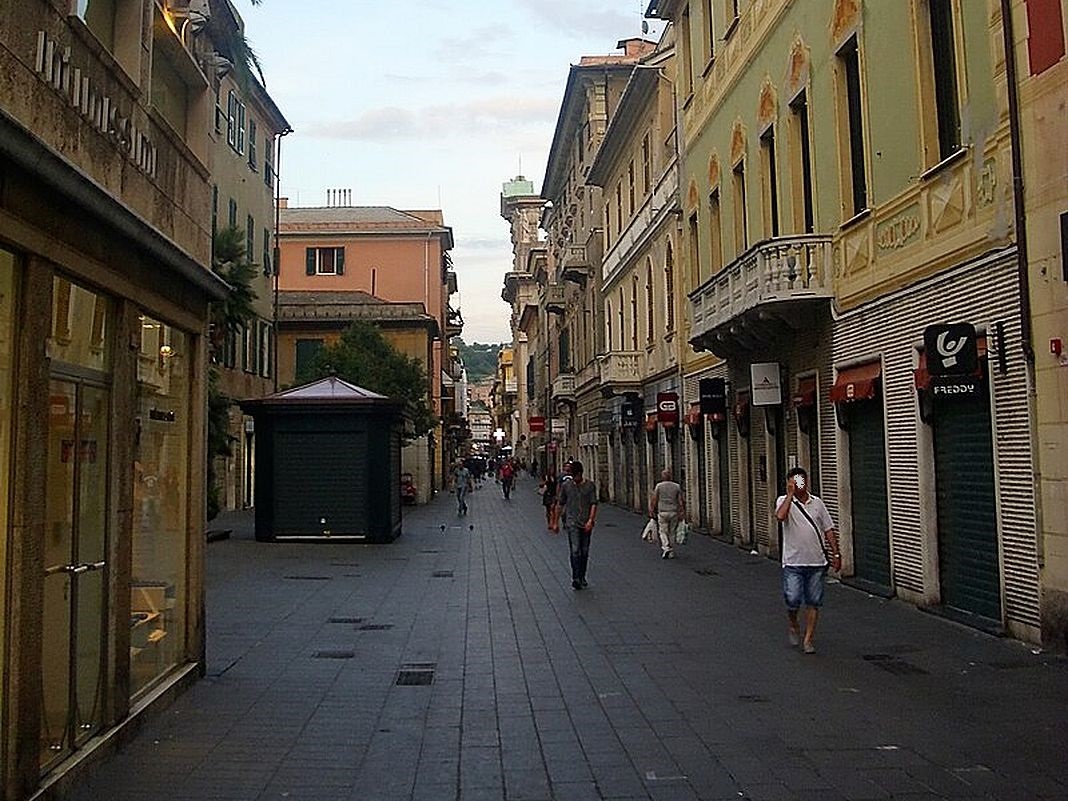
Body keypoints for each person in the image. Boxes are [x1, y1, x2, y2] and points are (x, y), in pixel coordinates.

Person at [774, 466, 841, 654]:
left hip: (816, 562)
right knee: (792, 599)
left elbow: (828, 529)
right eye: (795, 481)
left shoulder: (817, 503)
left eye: (802, 480)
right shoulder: (783, 501)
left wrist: (836, 553)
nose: (800, 484)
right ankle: (793, 623)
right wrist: (789, 495)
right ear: (789, 482)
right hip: (793, 562)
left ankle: (808, 639)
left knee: (813, 601)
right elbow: (780, 516)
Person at [554, 460, 597, 590]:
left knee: (584, 551)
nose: (575, 479)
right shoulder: (566, 486)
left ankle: (582, 575)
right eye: (573, 476)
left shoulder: (590, 486)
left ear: (581, 474)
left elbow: (594, 503)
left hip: (585, 522)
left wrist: (591, 520)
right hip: (572, 522)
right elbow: (560, 503)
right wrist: (555, 522)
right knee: (575, 550)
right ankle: (576, 578)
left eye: (576, 476)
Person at [649, 469, 686, 559]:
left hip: (662, 512)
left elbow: (654, 499)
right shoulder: (676, 486)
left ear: (663, 477)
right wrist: (682, 511)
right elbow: (681, 501)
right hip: (673, 512)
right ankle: (671, 551)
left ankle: (666, 547)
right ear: (671, 477)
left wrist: (651, 510)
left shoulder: (659, 486)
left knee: (662, 531)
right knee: (672, 532)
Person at [539, 466, 558, 530]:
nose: (552, 471)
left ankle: (552, 522)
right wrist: (545, 482)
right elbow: (541, 484)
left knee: (553, 508)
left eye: (553, 470)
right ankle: (549, 522)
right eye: (551, 470)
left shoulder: (555, 478)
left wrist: (557, 494)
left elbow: (557, 486)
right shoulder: (546, 477)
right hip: (547, 494)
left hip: (553, 495)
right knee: (548, 510)